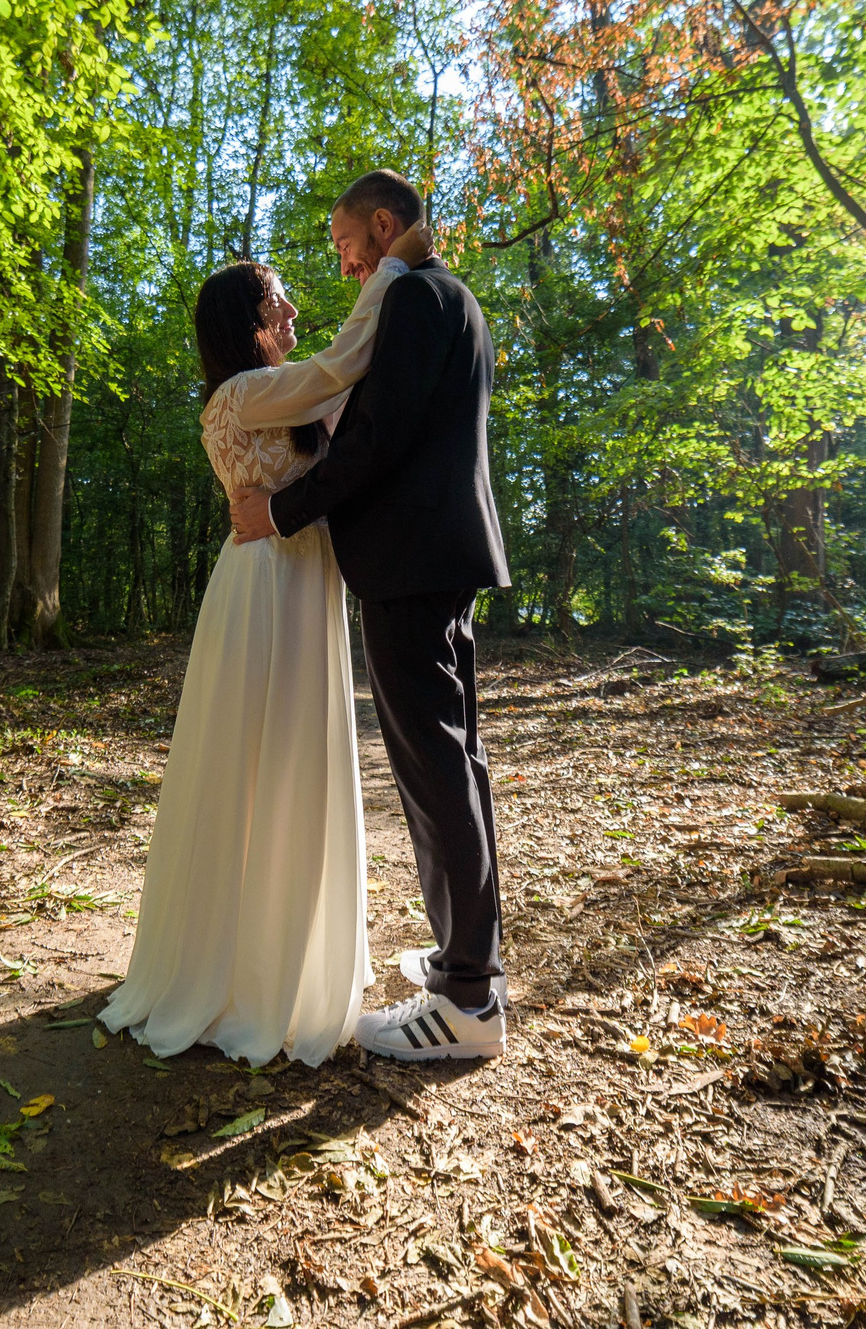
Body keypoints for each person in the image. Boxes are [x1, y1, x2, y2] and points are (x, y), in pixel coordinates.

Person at [98, 216, 435, 1066]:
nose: (293, 311)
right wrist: (388, 277)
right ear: (249, 324)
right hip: (264, 591)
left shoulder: (279, 394)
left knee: (291, 760)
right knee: (260, 761)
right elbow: (339, 369)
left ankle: (275, 953)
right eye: (280, 302)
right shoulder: (243, 396)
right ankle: (237, 971)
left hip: (297, 585)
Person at [229, 169, 511, 1062]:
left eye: (349, 250)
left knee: (433, 767)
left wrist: (279, 510)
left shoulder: (413, 300)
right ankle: (469, 960)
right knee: (455, 758)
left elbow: (376, 440)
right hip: (438, 558)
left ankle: (466, 1002)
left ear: (383, 226)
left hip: (408, 561)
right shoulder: (451, 300)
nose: (347, 270)